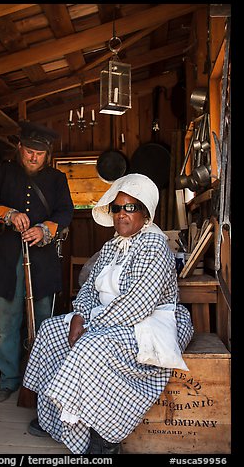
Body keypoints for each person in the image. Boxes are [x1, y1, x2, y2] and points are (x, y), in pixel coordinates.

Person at [22, 172, 194, 454]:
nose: (122, 215)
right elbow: (90, 287)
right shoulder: (111, 246)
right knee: (52, 330)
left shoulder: (153, 245)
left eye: (130, 208)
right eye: (117, 208)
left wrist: (89, 322)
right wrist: (79, 314)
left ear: (145, 214)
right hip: (106, 316)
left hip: (148, 322)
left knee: (92, 346)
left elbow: (138, 304)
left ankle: (104, 436)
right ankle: (56, 416)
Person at [0, 121, 74, 402]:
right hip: (6, 258)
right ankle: (9, 379)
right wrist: (7, 214)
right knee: (6, 322)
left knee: (45, 322)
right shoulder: (2, 172)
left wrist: (45, 229)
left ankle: (45, 380)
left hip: (42, 260)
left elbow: (66, 212)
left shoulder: (56, 179)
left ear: (47, 155)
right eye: (29, 151)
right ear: (20, 147)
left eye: (39, 154)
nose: (33, 157)